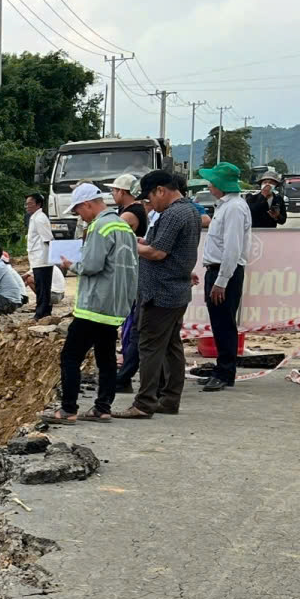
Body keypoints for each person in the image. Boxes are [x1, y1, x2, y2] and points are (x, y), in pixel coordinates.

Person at [43, 183, 137, 423]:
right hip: (115, 305)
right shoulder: (122, 226)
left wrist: (70, 265)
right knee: (106, 358)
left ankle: (68, 409)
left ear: (88, 204)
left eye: (78, 211)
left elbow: (92, 266)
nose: (79, 217)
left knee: (71, 356)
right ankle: (103, 407)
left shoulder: (100, 227)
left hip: (95, 305)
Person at [115, 170, 201, 419]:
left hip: (161, 292)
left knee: (149, 346)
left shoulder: (173, 214)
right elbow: (160, 246)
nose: (150, 203)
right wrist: (143, 241)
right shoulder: (190, 211)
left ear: (161, 190)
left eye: (151, 197)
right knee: (172, 346)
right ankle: (169, 398)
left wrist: (128, 242)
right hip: (174, 290)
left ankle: (144, 403)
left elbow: (157, 253)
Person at [199, 161, 251, 392]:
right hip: (217, 270)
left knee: (225, 324)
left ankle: (225, 372)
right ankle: (222, 369)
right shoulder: (224, 206)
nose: (209, 185)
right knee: (218, 323)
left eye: (212, 181)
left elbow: (232, 249)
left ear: (220, 184)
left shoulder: (234, 208)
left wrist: (221, 281)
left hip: (224, 272)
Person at [109, 172, 147, 391]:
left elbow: (112, 238)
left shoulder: (130, 214)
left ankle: (124, 377)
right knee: (131, 326)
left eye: (114, 191)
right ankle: (124, 375)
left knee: (133, 326)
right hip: (132, 273)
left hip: (134, 275)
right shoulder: (128, 211)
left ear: (122, 192)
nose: (112, 194)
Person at [26, 193, 55, 319]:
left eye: (30, 203)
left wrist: (55, 255)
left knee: (43, 287)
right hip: (37, 258)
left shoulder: (40, 218)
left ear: (38, 204)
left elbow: (48, 238)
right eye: (26, 204)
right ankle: (44, 311)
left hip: (42, 258)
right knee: (41, 286)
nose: (27, 206)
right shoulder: (34, 217)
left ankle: (41, 312)